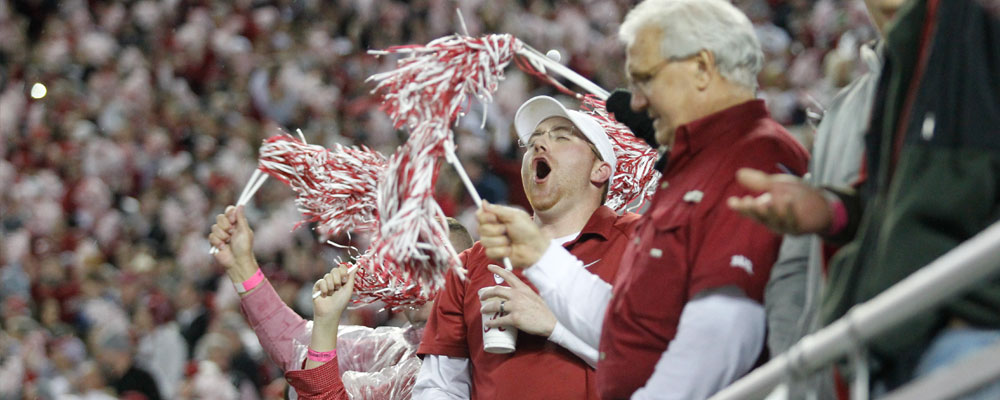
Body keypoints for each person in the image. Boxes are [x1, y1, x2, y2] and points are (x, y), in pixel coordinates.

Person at [476, 1, 809, 398]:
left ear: (702, 69)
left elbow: (724, 332)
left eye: (646, 79)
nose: (635, 103)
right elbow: (630, 326)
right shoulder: (692, 169)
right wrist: (541, 255)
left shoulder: (752, 156)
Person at [728, 0, 1000, 396]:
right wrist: (832, 210)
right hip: (890, 349)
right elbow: (918, 197)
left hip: (965, 343)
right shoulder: (909, 47)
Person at [414, 95, 641, 399]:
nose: (539, 144)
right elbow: (440, 387)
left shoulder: (640, 241)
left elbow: (659, 358)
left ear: (600, 169)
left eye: (561, 137)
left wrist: (555, 327)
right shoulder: (472, 264)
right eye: (533, 140)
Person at [209, 206, 474, 399]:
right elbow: (295, 344)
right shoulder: (396, 345)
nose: (413, 276)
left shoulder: (476, 357)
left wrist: (326, 324)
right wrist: (241, 265)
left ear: (467, 274)